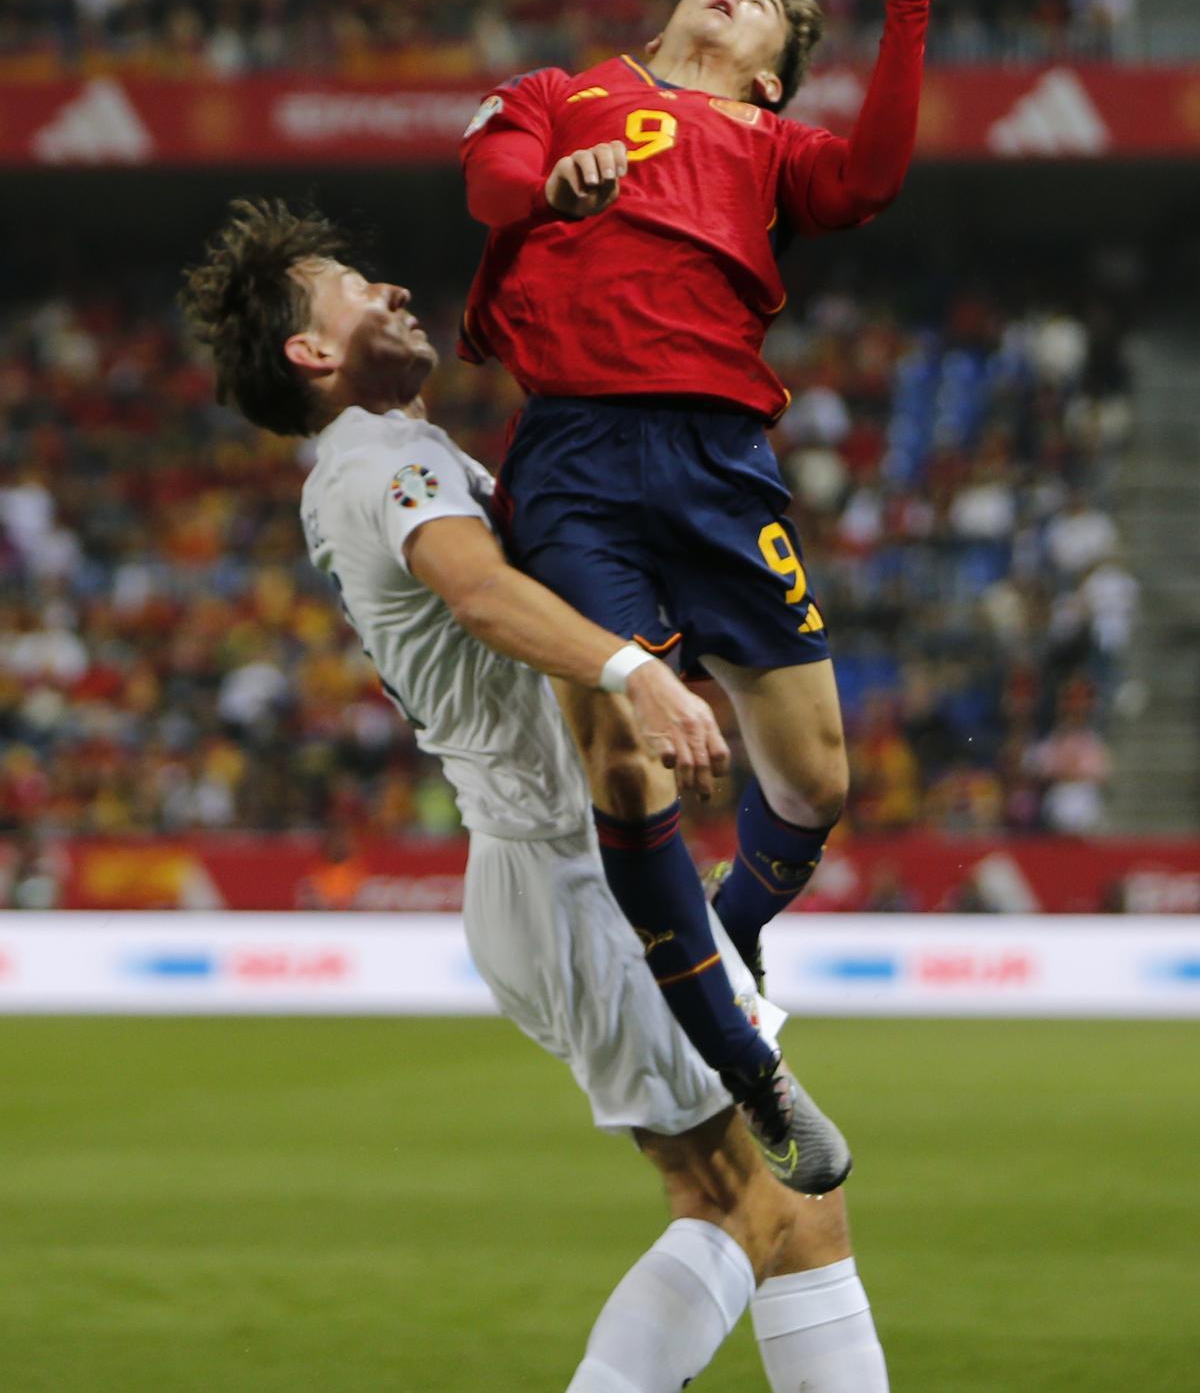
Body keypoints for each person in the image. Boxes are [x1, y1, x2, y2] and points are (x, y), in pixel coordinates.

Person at [180, 199, 888, 1392]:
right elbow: (478, 594)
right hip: (574, 879)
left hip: (552, 876)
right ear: (311, 353)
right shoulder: (386, 460)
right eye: (353, 288)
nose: (393, 292)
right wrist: (636, 674)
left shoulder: (379, 461)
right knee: (760, 1208)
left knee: (772, 1209)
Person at [459, 0, 947, 1143]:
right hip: (571, 456)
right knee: (626, 760)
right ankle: (746, 1065)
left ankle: (716, 950)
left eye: (770, 6)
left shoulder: (772, 149)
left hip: (720, 460)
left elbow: (874, 179)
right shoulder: (561, 95)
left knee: (818, 779)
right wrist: (552, 190)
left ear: (775, 82)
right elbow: (493, 183)